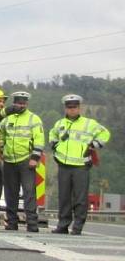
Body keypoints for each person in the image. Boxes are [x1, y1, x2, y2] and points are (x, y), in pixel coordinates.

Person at [48, 94, 111, 235]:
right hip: (63, 165)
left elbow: (105, 133)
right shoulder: (59, 123)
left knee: (80, 198)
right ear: (65, 108)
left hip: (81, 166)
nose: (72, 110)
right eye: (69, 107)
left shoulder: (89, 123)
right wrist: (54, 145)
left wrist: (95, 144)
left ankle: (77, 227)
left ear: (79, 108)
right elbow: (52, 134)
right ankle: (62, 225)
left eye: (74, 107)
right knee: (63, 197)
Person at [0, 91, 44, 232]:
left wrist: (34, 158)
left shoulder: (34, 119)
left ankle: (32, 223)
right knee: (10, 193)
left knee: (29, 192)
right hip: (9, 161)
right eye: (18, 102)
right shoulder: (6, 119)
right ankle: (12, 223)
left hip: (26, 160)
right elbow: (1, 136)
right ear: (14, 103)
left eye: (23, 102)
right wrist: (1, 152)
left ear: (27, 103)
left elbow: (39, 140)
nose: (21, 105)